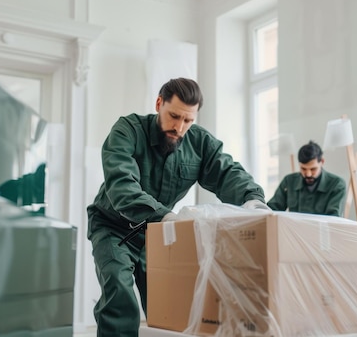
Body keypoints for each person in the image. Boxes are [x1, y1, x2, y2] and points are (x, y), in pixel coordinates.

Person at [86, 77, 269, 337]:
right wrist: (167, 217)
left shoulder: (200, 143)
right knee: (119, 291)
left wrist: (253, 201)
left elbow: (228, 173)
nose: (180, 127)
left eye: (188, 120)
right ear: (159, 103)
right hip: (113, 227)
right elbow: (122, 188)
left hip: (156, 234)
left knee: (168, 304)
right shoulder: (127, 130)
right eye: (174, 116)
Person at [267, 140, 346, 216]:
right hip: (293, 229)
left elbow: (334, 219)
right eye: (303, 169)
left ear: (322, 162)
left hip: (321, 229)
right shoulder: (289, 181)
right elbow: (272, 209)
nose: (308, 174)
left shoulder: (337, 185)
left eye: (313, 169)